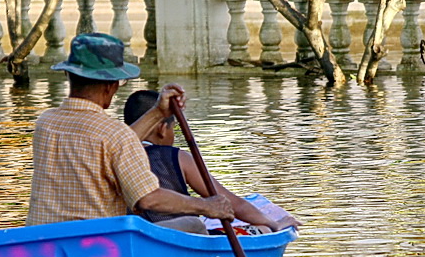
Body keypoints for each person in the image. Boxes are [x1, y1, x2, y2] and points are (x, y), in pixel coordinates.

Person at [26, 33, 234, 232]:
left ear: (68, 75)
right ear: (110, 86)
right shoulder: (114, 134)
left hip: (44, 240)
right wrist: (206, 206)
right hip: (97, 245)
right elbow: (148, 198)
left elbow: (111, 145)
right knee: (194, 225)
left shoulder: (46, 122)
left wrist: (158, 113)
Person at [123, 89, 301, 234]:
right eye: (173, 128)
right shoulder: (176, 157)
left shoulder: (114, 155)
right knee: (263, 229)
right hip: (178, 238)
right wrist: (273, 224)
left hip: (129, 236)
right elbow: (233, 203)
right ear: (162, 129)